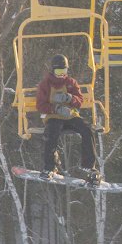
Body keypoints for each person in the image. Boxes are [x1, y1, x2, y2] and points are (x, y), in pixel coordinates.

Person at [36, 53, 99, 181]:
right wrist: (55, 108)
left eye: (64, 71)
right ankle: (49, 167)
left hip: (70, 116)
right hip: (54, 116)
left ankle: (89, 167)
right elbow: (40, 105)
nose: (61, 74)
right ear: (53, 71)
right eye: (59, 71)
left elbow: (80, 101)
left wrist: (70, 98)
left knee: (87, 129)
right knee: (52, 132)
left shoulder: (71, 83)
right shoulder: (45, 85)